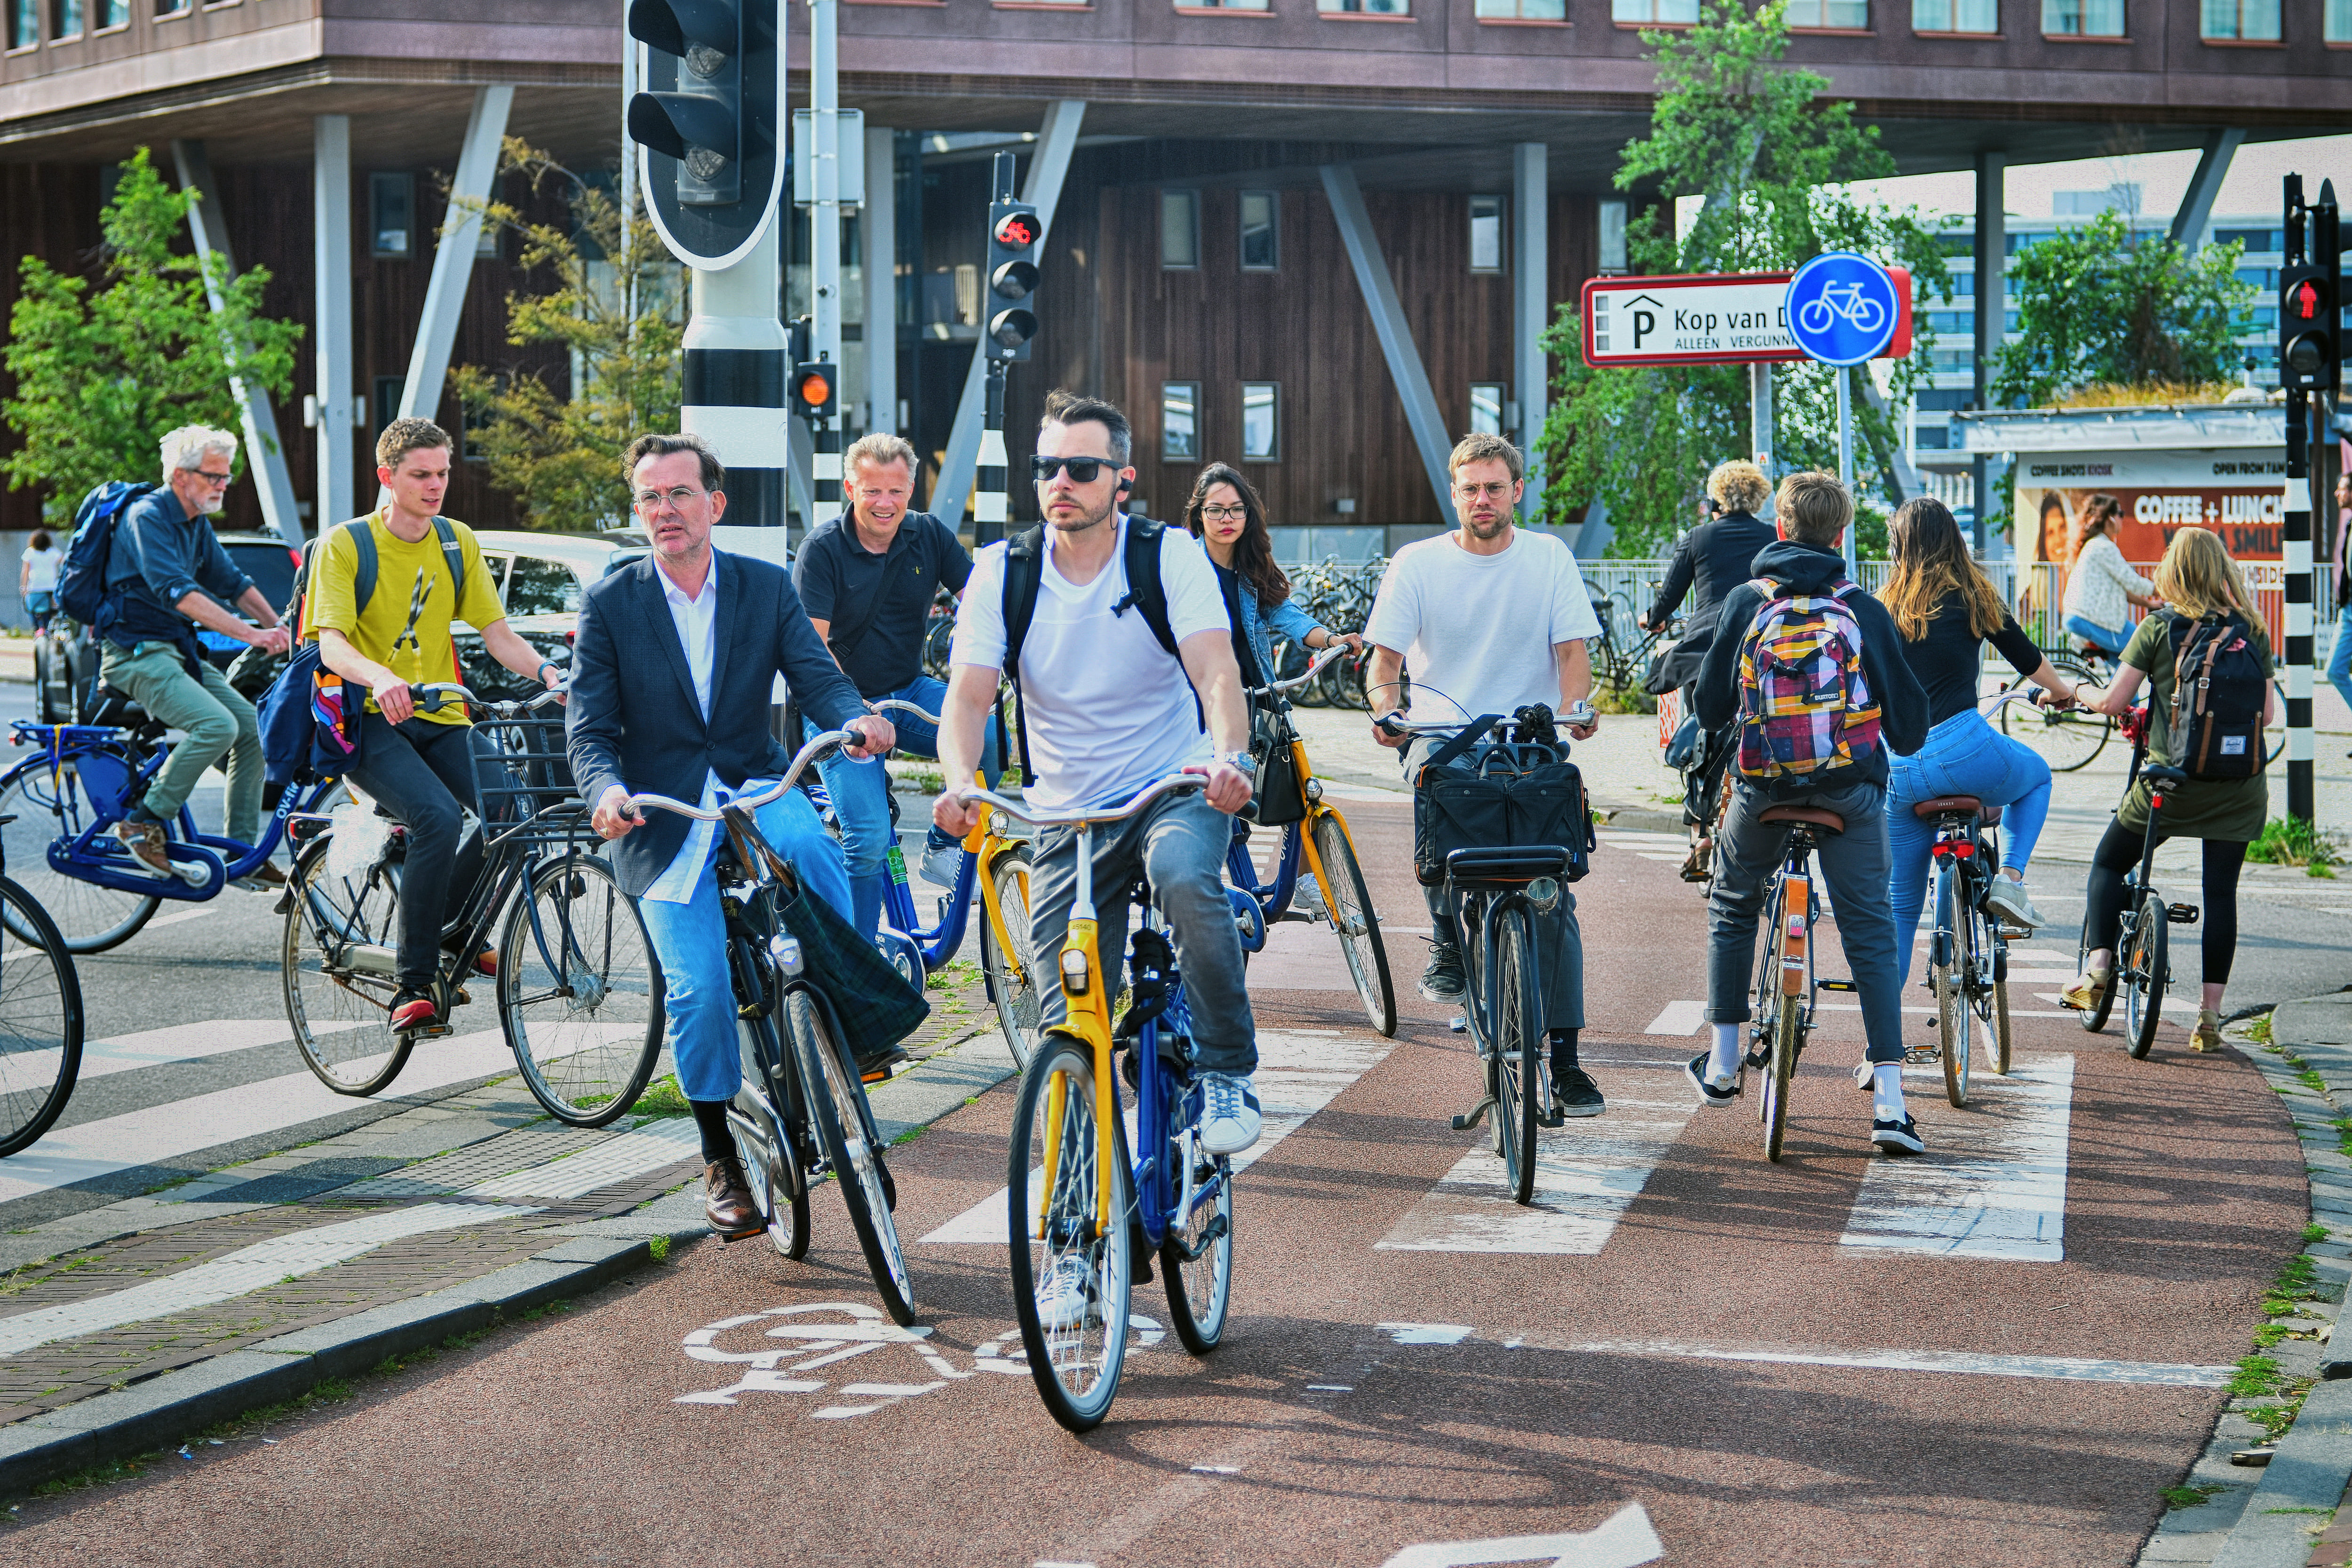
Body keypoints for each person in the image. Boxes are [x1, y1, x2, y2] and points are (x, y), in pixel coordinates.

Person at [570, 431, 895, 1239]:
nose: (665, 510)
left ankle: (843, 1026)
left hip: (754, 780)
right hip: (661, 807)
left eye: (680, 494)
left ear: (715, 504)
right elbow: (589, 728)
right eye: (650, 496)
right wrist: (605, 791)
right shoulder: (612, 602)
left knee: (820, 849)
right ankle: (718, 1150)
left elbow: (814, 675)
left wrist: (852, 717)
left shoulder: (761, 586)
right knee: (700, 988)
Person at [930, 390, 1264, 1157]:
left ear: (1122, 479)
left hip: (1170, 787)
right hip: (1067, 813)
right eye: (1047, 466)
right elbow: (969, 699)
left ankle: (1226, 1067)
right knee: (1068, 1018)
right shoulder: (1000, 573)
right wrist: (957, 780)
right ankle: (1081, 1237)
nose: (1060, 482)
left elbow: (1217, 673)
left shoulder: (1165, 556)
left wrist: (1228, 757)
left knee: (1184, 874)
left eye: (1081, 467)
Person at [1364, 432, 1608, 1120]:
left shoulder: (1547, 557)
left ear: (1517, 492)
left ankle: (1565, 1062)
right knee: (1438, 809)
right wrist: (1389, 712)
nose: (1482, 499)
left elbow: (1571, 653)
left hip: (1528, 743)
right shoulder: (1417, 564)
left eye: (1494, 487)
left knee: (1552, 893)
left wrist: (1575, 712)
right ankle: (1447, 939)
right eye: (1470, 488)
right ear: (1454, 492)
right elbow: (1383, 664)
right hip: (1444, 739)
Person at [1688, 471, 1929, 1154]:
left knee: (1735, 904)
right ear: (1842, 534)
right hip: (1849, 794)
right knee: (1871, 931)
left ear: (1782, 529)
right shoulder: (1863, 608)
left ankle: (1726, 1062)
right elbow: (1909, 731)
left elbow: (1710, 709)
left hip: (1763, 790)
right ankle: (1888, 1102)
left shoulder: (1746, 601)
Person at [306, 419, 567, 1035]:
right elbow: (332, 648)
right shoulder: (346, 545)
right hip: (369, 718)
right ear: (387, 478)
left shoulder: (456, 542)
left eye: (443, 473)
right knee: (437, 817)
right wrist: (380, 678)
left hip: (441, 713)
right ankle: (412, 983)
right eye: (420, 475)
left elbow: (498, 637)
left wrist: (552, 674)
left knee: (515, 812)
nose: (435, 486)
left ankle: (452, 928)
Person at [2061, 526, 2274, 1053]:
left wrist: (2076, 691)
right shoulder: (2250, 628)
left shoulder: (2158, 627)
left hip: (2169, 785)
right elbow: (2266, 715)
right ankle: (2208, 1018)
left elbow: (2113, 702)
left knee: (2109, 863)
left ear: (2171, 572)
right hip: (2238, 788)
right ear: (2221, 570)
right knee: (2220, 893)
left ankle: (2096, 973)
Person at [793, 432, 1002, 938]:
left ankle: (942, 843)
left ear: (911, 490)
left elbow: (982, 603)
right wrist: (853, 708)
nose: (884, 503)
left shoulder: (928, 536)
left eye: (895, 491)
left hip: (906, 693)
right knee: (866, 838)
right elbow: (811, 650)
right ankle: (859, 974)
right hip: (837, 708)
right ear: (850, 489)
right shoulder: (821, 551)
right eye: (871, 491)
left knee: (992, 739)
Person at [1879, 497, 2078, 981]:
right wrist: (2060, 693)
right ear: (1953, 540)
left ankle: (1880, 1042)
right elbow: (2026, 659)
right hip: (1963, 748)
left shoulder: (1882, 607)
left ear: (1899, 546)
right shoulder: (1974, 595)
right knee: (2034, 777)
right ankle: (2009, 879)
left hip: (1898, 768)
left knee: (1900, 905)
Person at [99, 426, 293, 884]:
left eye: (226, 477)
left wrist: (278, 626)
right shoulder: (146, 517)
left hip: (176, 652)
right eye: (215, 477)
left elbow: (232, 582)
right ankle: (142, 823)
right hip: (135, 654)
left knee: (251, 731)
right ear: (182, 476)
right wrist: (251, 635)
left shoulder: (195, 525)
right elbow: (179, 593)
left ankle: (243, 856)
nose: (223, 485)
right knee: (217, 726)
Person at [1641, 459, 1779, 879]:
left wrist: (1655, 617)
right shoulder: (1772, 537)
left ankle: (1701, 832)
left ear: (1716, 497)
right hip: (1761, 651)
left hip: (1706, 650)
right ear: (1757, 499)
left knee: (1703, 731)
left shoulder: (1698, 538)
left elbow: (1669, 595)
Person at [1180, 462, 1362, 692]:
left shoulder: (1253, 568)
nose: (1227, 519)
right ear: (1200, 516)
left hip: (1258, 697)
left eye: (1237, 509)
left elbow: (1287, 614)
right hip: (1200, 701)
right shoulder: (1183, 566)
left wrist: (1332, 639)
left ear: (1248, 514)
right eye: (1216, 510)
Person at [2062, 493, 2159, 660]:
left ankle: (2118, 686)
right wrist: (2169, 591)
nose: (2122, 519)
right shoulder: (2103, 547)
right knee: (2145, 646)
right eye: (2120, 514)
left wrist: (2149, 603)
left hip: (2085, 618)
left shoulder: (2094, 544)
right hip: (2093, 620)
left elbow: (2124, 589)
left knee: (2123, 668)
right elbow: (2133, 582)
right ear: (2110, 519)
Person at [2328, 474, 2351, 759]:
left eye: (2342, 488)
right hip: (2349, 610)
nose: (2337, 493)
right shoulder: (2349, 523)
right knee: (2335, 669)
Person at [20, 529, 61, 631]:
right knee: (49, 612)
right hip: (50, 587)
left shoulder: (30, 552)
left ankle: (38, 630)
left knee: (32, 609)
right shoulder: (53, 552)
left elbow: (25, 571)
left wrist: (23, 587)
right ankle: (46, 630)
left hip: (34, 588)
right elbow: (65, 562)